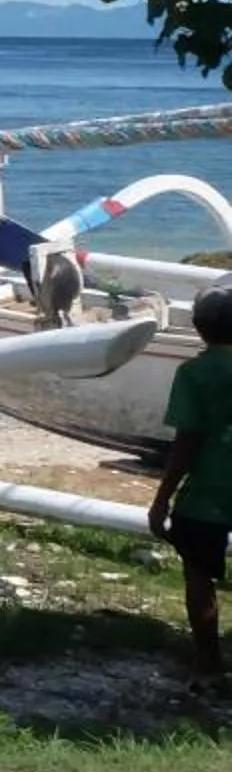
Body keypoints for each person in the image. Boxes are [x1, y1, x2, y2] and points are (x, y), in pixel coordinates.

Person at [149, 287, 232, 683]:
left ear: (199, 328)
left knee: (199, 576)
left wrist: (162, 499)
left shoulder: (194, 374)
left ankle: (209, 661)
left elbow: (187, 441)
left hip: (209, 491)